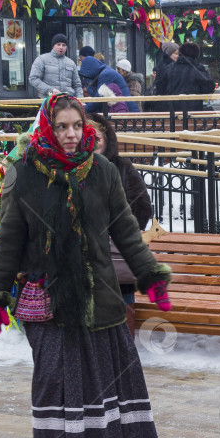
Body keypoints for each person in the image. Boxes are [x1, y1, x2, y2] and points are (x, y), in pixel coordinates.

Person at [0, 93, 172, 438]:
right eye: (61, 126)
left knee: (100, 372)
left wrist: (149, 274)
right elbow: (8, 241)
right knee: (53, 375)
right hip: (47, 293)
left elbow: (126, 232)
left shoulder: (102, 172)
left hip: (100, 294)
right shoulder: (23, 173)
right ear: (47, 127)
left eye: (76, 126)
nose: (70, 134)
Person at [86, 112, 152, 337]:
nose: (93, 143)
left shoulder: (122, 167)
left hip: (116, 253)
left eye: (97, 137)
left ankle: (124, 350)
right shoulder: (72, 169)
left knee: (123, 308)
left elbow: (142, 206)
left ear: (106, 139)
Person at [156, 42, 215, 113]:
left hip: (171, 111)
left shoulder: (169, 68)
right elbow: (209, 88)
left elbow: (160, 88)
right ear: (195, 55)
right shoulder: (197, 69)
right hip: (193, 111)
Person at [28, 34, 83, 98]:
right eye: (58, 44)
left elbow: (77, 85)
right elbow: (33, 79)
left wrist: (80, 101)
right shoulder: (42, 59)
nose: (61, 47)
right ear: (53, 45)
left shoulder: (71, 63)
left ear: (66, 47)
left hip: (68, 102)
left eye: (64, 45)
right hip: (49, 101)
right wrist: (50, 91)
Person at [147, 42, 179, 112]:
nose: (178, 56)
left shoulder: (165, 65)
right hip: (166, 104)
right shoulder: (168, 67)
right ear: (169, 54)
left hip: (165, 103)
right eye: (176, 54)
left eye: (178, 54)